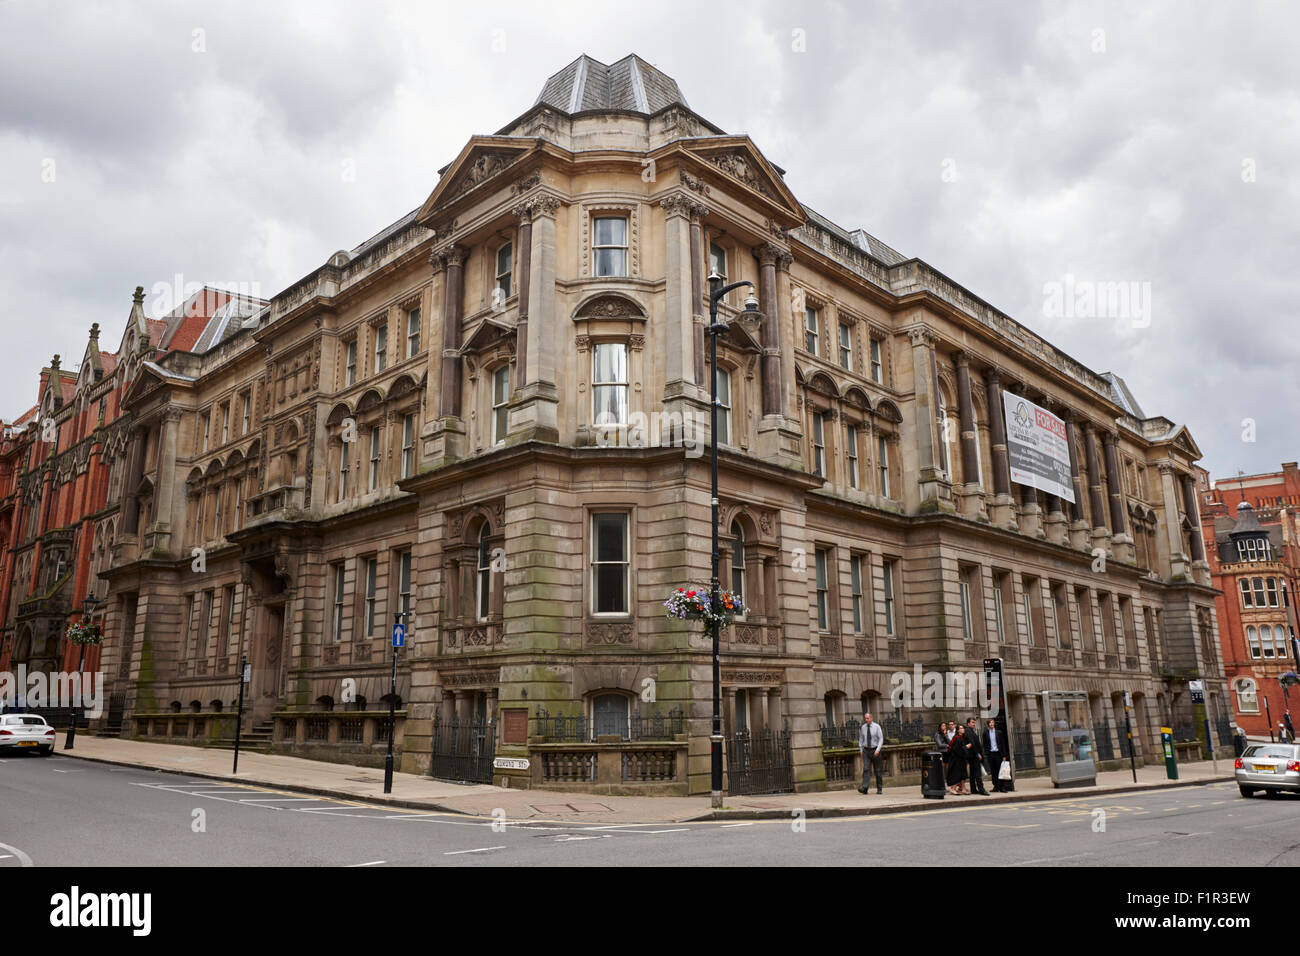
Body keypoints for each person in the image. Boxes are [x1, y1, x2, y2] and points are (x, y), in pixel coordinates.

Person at [858, 712, 884, 794]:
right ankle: (864, 788)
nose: (866, 720)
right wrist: (861, 750)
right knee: (866, 769)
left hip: (875, 750)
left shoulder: (877, 727)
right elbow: (861, 739)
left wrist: (877, 750)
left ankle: (879, 788)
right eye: (865, 718)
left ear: (871, 718)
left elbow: (881, 739)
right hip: (866, 751)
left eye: (867, 718)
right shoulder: (863, 727)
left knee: (878, 770)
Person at [983, 718, 1011, 792]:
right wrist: (986, 753)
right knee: (993, 771)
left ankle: (1002, 787)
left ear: (994, 723)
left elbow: (1003, 744)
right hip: (991, 754)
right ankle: (995, 786)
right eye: (990, 723)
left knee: (1000, 770)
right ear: (988, 724)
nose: (991, 724)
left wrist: (1004, 755)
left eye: (992, 722)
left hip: (998, 754)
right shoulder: (985, 733)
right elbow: (985, 744)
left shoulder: (999, 732)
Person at [965, 717, 989, 795]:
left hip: (972, 756)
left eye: (974, 722)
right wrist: (977, 754)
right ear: (968, 723)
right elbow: (972, 743)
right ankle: (981, 789)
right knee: (978, 774)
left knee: (972, 774)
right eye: (972, 722)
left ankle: (973, 789)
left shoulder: (970, 731)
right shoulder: (968, 731)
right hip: (974, 756)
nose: (974, 724)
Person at [946, 725, 968, 794]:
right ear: (958, 730)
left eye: (963, 728)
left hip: (961, 759)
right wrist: (966, 747)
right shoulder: (956, 738)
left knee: (962, 774)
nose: (963, 729)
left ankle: (962, 788)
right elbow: (957, 750)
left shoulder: (961, 738)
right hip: (956, 760)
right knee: (957, 774)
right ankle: (953, 788)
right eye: (961, 728)